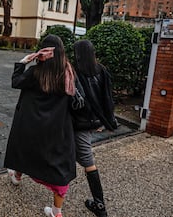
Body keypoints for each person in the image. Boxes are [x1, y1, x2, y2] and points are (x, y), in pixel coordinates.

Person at [4, 34, 78, 217]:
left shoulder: (35, 73)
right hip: (57, 128)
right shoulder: (68, 73)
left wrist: (23, 61)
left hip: (31, 123)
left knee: (23, 149)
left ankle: (18, 176)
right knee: (59, 166)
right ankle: (57, 211)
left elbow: (16, 82)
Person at [72, 39, 118, 217]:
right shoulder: (102, 70)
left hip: (81, 123)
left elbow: (76, 103)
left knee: (87, 160)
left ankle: (100, 205)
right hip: (95, 121)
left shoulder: (76, 73)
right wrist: (105, 120)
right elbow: (108, 97)